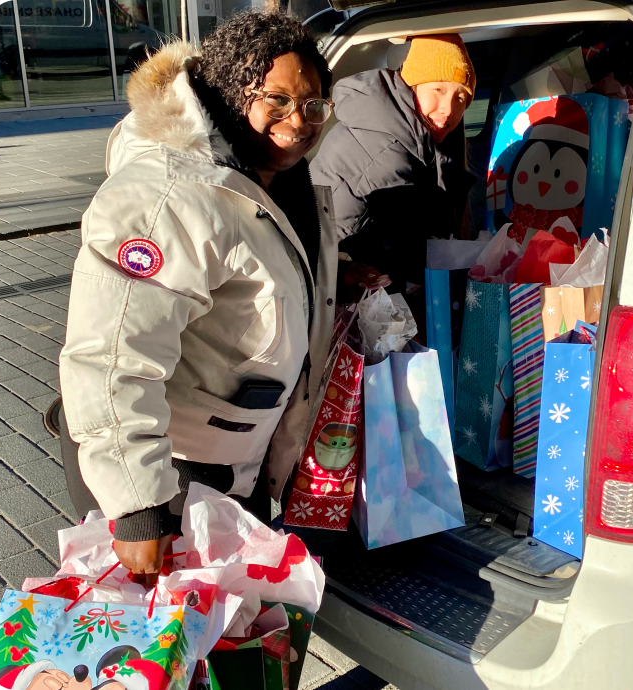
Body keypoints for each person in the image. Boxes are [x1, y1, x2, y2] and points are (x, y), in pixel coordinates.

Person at [58, 9, 337, 584]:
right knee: (167, 653)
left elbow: (264, 274)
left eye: (313, 104)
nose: (299, 120)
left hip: (229, 473)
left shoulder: (273, 179)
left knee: (230, 638)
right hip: (168, 480)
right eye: (277, 99)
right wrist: (138, 508)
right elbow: (112, 356)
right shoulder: (170, 194)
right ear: (234, 91)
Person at [310, 34, 477, 298]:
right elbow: (410, 255)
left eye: (460, 98)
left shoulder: (405, 134)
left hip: (346, 278)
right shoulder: (385, 147)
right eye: (439, 90)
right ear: (413, 83)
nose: (448, 109)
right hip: (331, 285)